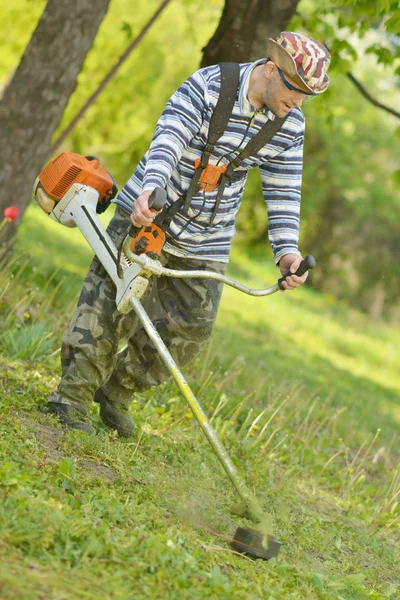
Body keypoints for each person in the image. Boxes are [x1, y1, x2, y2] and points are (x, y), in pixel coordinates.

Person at [45, 31, 331, 436]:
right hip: (150, 213)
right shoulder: (209, 86)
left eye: (306, 97)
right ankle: (70, 400)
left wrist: (287, 252)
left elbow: (284, 190)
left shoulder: (290, 125)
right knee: (109, 308)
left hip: (209, 234)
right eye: (294, 91)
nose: (297, 104)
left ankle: (116, 394)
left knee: (192, 327)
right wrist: (151, 186)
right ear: (271, 70)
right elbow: (169, 137)